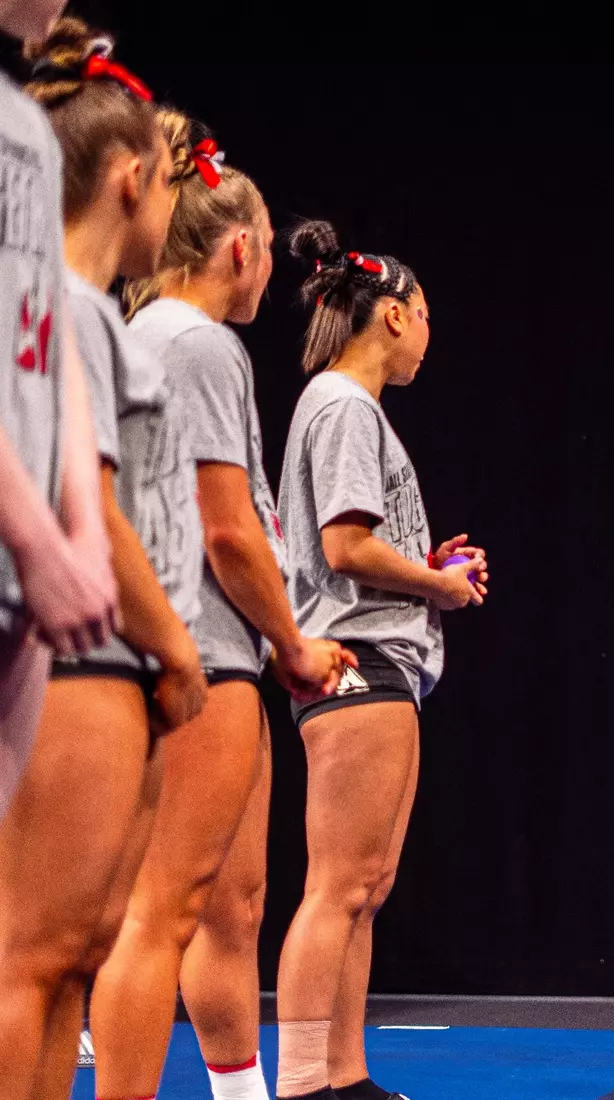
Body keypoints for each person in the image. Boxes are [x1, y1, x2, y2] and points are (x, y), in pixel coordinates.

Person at [90, 112, 352, 1100]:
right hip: (195, 647)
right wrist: (295, 642)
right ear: (240, 246)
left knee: (227, 902)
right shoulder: (195, 342)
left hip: (207, 645)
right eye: (268, 246)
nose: (269, 270)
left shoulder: (157, 336)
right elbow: (227, 529)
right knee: (161, 910)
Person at [0, 21, 204, 1100]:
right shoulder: (72, 310)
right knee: (33, 954)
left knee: (73, 955)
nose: (174, 210)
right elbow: (99, 506)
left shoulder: (89, 316)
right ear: (132, 178)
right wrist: (175, 645)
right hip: (86, 640)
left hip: (112, 650)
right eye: (171, 185)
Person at [274, 219, 484, 1100]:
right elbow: (346, 547)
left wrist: (426, 568)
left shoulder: (348, 408)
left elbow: (355, 545)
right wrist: (440, 585)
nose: (430, 336)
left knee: (366, 885)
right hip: (355, 658)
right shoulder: (345, 405)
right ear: (394, 315)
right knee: (338, 885)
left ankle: (344, 1075)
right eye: (426, 315)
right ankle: (299, 1083)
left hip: (376, 656)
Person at [0, 0, 119, 823]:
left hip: (23, 577)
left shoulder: (28, 132)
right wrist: (37, 538)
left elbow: (52, 347)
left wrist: (81, 533)